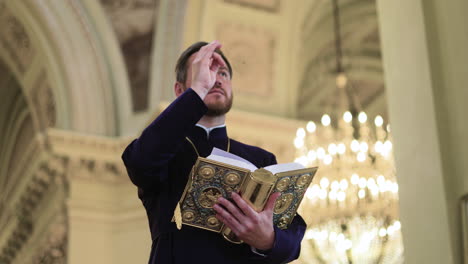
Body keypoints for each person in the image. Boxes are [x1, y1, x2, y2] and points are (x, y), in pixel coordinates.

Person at [122, 40, 306, 264]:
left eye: (224, 73)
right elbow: (140, 162)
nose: (217, 79)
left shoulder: (261, 160)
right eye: (205, 72)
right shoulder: (164, 151)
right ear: (180, 90)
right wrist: (198, 91)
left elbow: (292, 237)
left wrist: (268, 239)